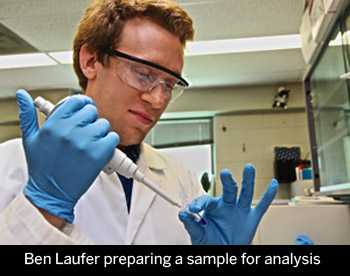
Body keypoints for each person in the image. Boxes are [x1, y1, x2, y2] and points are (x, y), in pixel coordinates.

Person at [0, 0, 278, 245]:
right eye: (144, 74)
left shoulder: (180, 178)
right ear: (92, 60)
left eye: (169, 84)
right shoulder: (12, 164)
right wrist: (43, 209)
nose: (158, 100)